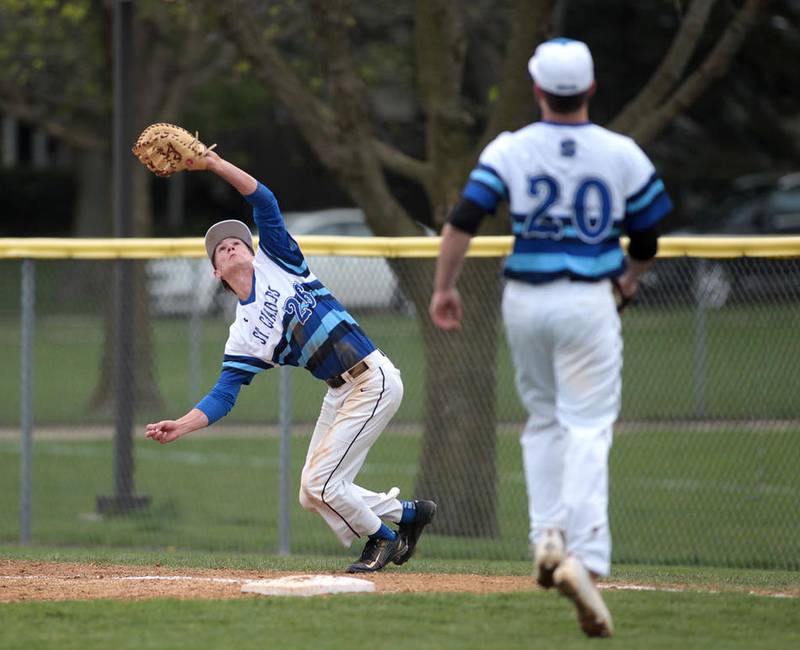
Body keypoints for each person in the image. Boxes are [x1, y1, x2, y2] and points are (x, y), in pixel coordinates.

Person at [429, 38, 671, 637]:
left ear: (537, 90)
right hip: (588, 300)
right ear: (591, 90)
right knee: (587, 425)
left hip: (526, 300)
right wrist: (630, 278)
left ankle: (546, 537)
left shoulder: (512, 147)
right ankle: (584, 555)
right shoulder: (621, 153)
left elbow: (464, 218)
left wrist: (444, 287)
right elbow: (646, 237)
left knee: (542, 421)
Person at [145, 147, 436, 573]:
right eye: (220, 249)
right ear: (215, 272)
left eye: (236, 241)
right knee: (311, 493)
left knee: (324, 483)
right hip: (340, 392)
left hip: (371, 380)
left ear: (252, 249)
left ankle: (383, 538)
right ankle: (407, 514)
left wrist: (212, 165)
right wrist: (181, 425)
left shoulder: (277, 259)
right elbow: (224, 395)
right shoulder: (243, 335)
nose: (229, 247)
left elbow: (263, 201)